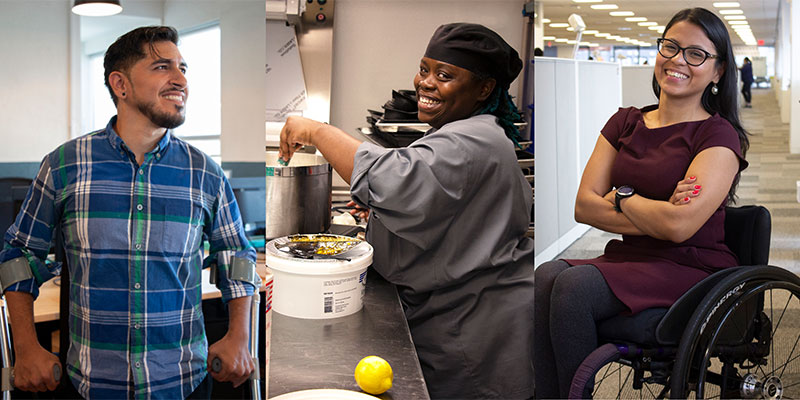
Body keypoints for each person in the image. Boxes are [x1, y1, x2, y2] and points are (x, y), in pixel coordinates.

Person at [0, 26, 259, 398]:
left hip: (183, 382)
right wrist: (25, 348)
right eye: (161, 67)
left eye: (183, 68)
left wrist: (239, 336)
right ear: (120, 85)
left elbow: (235, 254)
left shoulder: (204, 172)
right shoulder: (63, 165)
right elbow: (19, 255)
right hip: (90, 382)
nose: (180, 79)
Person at [280, 23, 534, 399]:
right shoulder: (465, 130)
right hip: (459, 317)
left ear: (484, 88)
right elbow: (442, 208)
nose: (425, 83)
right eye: (425, 69)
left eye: (444, 75)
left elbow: (391, 179)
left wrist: (317, 131)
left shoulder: (472, 139)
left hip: (472, 331)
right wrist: (380, 214)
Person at [533, 8, 749, 398]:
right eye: (671, 47)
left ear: (717, 72)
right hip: (630, 260)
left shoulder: (718, 135)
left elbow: (679, 229)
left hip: (689, 265)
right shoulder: (626, 122)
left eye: (696, 54)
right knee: (545, 275)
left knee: (575, 286)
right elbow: (583, 207)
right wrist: (661, 209)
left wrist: (623, 198)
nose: (678, 60)